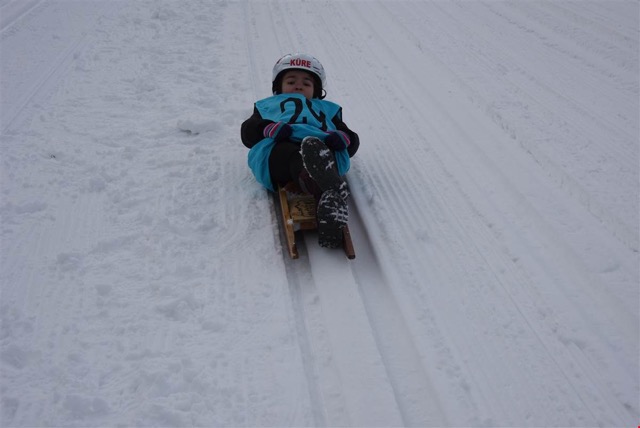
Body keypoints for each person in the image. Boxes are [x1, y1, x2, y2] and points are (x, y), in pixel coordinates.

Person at [241, 53, 359, 249]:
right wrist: (267, 128)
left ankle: (326, 195)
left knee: (320, 150)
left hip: (321, 147)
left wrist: (342, 138)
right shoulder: (266, 106)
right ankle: (325, 187)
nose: (298, 86)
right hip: (280, 149)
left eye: (306, 83)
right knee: (292, 154)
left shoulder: (328, 110)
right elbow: (247, 133)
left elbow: (352, 139)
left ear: (316, 90)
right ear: (278, 87)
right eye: (291, 81)